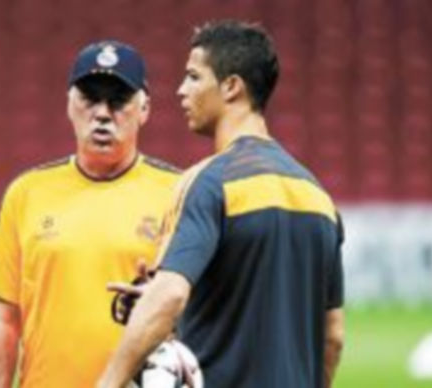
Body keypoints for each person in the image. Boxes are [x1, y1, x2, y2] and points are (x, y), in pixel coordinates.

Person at [99, 20, 345, 388]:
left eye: (193, 77)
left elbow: (170, 295)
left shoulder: (209, 183)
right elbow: (333, 336)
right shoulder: (318, 198)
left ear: (231, 86)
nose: (181, 90)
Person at [0, 40, 182, 388]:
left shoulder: (180, 192)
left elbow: (209, 309)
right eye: (89, 98)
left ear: (144, 109)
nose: (102, 113)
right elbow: (2, 321)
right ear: (69, 104)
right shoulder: (26, 192)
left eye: (118, 101)